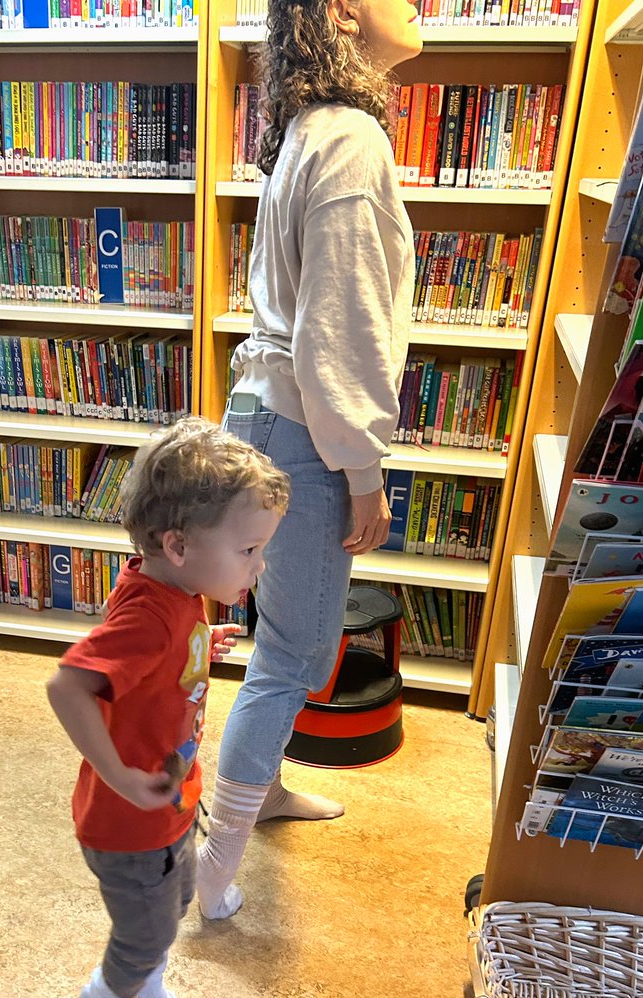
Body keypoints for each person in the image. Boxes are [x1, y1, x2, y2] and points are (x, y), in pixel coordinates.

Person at [196, 0, 422, 920]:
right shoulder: (350, 138)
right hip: (301, 433)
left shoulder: (309, 130)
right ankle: (214, 867)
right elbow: (342, 330)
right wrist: (362, 471)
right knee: (296, 650)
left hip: (266, 416)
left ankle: (261, 788)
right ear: (342, 12)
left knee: (277, 641)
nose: (417, 8)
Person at [47, 418, 289, 998]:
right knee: (146, 927)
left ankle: (144, 975)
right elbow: (67, 688)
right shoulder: (149, 615)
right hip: (127, 823)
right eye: (248, 551)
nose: (259, 566)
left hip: (169, 806)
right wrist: (121, 779)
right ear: (177, 544)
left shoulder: (179, 594)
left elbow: (151, 666)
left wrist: (197, 648)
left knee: (177, 899)